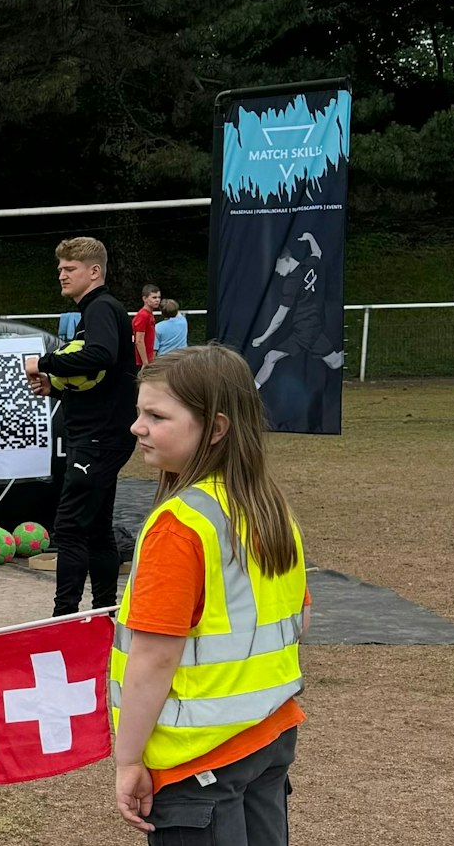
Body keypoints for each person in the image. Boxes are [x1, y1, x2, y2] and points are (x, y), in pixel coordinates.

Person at [112, 345, 309, 846]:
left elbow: (154, 658)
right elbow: (299, 619)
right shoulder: (268, 506)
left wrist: (129, 759)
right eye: (139, 412)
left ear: (216, 428)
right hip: (269, 734)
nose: (137, 426)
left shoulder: (179, 526)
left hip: (198, 756)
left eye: (156, 415)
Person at [25, 237, 140, 617]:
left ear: (94, 272)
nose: (61, 274)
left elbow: (100, 355)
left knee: (70, 528)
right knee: (98, 528)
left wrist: (44, 363)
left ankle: (65, 617)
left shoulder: (102, 307)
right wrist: (56, 388)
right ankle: (105, 611)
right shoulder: (95, 311)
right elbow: (99, 378)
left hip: (99, 436)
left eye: (70, 268)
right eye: (60, 268)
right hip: (99, 431)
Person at [248, 234, 344, 389]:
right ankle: (252, 390)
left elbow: (280, 317)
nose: (277, 272)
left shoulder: (292, 282)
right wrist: (311, 238)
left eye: (277, 266)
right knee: (271, 356)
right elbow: (317, 253)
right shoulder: (310, 264)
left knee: (334, 362)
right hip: (309, 326)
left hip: (306, 330)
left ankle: (251, 391)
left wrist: (262, 337)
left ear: (285, 259)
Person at [134, 284, 162, 366]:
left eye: (159, 297)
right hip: (140, 361)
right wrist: (145, 362)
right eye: (154, 297)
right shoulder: (143, 315)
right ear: (145, 299)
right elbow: (139, 341)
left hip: (147, 359)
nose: (157, 300)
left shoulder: (149, 314)